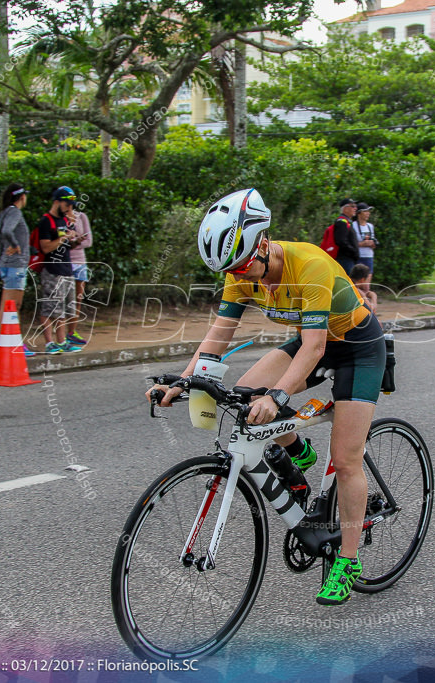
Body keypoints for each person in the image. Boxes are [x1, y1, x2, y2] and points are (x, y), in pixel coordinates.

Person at [151, 188, 384, 606]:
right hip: (313, 343)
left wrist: (277, 398)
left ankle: (348, 560)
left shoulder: (308, 265)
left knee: (347, 458)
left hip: (357, 349)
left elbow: (313, 348)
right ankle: (298, 451)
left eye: (242, 267)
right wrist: (182, 381)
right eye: (230, 271)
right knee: (243, 395)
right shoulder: (239, 270)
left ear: (262, 243)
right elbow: (217, 338)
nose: (238, 277)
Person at [36, 186, 83, 354]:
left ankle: (62, 342)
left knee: (64, 309)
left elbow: (65, 246)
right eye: (67, 204)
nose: (70, 208)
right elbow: (46, 247)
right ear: (57, 202)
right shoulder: (46, 221)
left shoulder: (64, 221)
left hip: (66, 269)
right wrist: (63, 237)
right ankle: (49, 343)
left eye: (72, 205)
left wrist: (74, 240)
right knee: (49, 308)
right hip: (52, 270)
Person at [0, 183, 33, 356]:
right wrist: (16, 246)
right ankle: (13, 343)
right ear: (22, 197)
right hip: (15, 265)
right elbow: (7, 231)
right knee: (12, 306)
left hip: (7, 264)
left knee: (7, 306)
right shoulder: (14, 212)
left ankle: (8, 342)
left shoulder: (4, 213)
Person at [65, 205, 94, 346]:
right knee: (64, 298)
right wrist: (75, 240)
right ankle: (58, 334)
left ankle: (72, 332)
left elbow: (88, 241)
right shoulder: (59, 218)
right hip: (65, 262)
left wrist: (73, 242)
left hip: (80, 262)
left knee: (77, 299)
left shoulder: (81, 217)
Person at [332, 198, 361, 275]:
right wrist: (353, 251)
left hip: (348, 259)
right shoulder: (342, 222)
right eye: (352, 206)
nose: (355, 208)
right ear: (345, 208)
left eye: (355, 206)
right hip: (345, 259)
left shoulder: (347, 221)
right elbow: (341, 241)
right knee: (348, 283)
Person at [353, 202, 377, 271]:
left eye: (368, 211)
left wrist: (372, 243)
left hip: (369, 256)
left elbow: (373, 241)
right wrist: (362, 244)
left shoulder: (370, 226)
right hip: (358, 256)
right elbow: (350, 243)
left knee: (368, 279)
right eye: (365, 211)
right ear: (359, 213)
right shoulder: (353, 225)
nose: (368, 213)